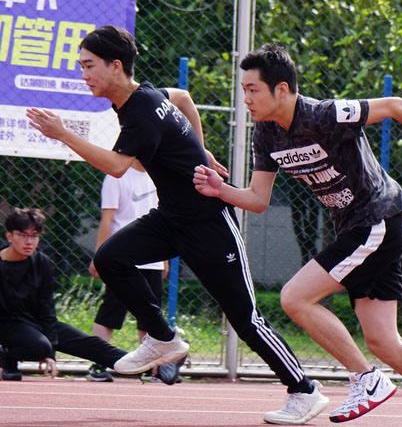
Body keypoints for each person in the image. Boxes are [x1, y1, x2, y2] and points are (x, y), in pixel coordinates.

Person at [26, 25, 328, 425]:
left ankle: (304, 390)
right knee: (112, 256)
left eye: (88, 66)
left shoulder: (140, 112)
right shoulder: (148, 95)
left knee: (245, 317)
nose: (83, 74)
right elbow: (184, 98)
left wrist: (63, 134)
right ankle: (162, 338)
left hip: (208, 223)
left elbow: (117, 167)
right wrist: (202, 151)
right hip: (170, 218)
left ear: (115, 67)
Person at [192, 44, 402, 427]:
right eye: (244, 89)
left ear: (281, 89)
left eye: (253, 89)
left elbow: (397, 105)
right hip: (357, 229)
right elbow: (257, 199)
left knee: (295, 298)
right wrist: (220, 190)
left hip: (377, 220)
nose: (246, 98)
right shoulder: (266, 134)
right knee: (384, 341)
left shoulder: (323, 114)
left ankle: (366, 379)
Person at [0, 207, 180, 385]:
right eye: (23, 235)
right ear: (9, 236)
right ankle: (6, 358)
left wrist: (51, 351)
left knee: (89, 343)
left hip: (34, 321)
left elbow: (46, 308)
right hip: (7, 324)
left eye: (34, 236)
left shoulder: (42, 263)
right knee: (39, 346)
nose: (29, 241)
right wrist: (45, 351)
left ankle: (154, 366)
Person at [87, 160, 170, 383]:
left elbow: (165, 221)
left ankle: (151, 367)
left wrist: (164, 259)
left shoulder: (157, 175)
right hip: (122, 258)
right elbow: (108, 219)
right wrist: (99, 256)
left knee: (150, 317)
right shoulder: (116, 176)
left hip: (152, 259)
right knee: (110, 313)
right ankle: (98, 364)